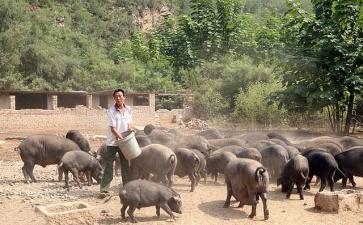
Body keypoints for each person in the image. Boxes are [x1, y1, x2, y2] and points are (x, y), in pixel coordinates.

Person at [99, 88, 133, 199]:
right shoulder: (111, 111)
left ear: (124, 97)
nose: (118, 98)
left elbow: (129, 125)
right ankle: (104, 189)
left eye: (120, 96)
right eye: (116, 96)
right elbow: (113, 129)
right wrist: (122, 138)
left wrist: (130, 131)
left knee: (126, 164)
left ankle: (127, 187)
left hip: (125, 142)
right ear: (114, 98)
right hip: (113, 143)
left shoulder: (128, 110)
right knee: (109, 165)